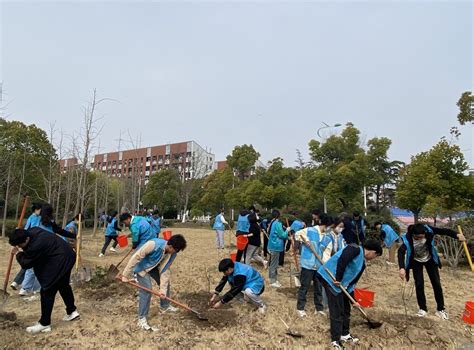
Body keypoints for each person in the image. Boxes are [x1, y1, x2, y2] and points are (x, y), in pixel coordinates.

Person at [9, 227, 79, 334]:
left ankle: (44, 323)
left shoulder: (35, 246)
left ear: (26, 239)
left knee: (47, 290)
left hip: (60, 259)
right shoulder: (34, 230)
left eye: (19, 245)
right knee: (63, 284)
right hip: (67, 255)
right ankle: (72, 311)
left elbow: (26, 263)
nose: (18, 247)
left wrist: (18, 253)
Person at [317, 240, 383, 349]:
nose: (374, 258)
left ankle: (345, 334)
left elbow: (351, 283)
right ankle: (335, 341)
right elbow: (343, 260)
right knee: (337, 310)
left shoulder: (362, 264)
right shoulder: (355, 248)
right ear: (373, 252)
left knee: (346, 309)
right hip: (330, 278)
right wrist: (338, 278)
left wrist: (354, 300)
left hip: (340, 284)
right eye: (376, 256)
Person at [398, 223, 465, 320]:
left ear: (425, 233)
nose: (419, 239)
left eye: (421, 237)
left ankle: (440, 309)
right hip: (416, 261)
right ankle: (422, 309)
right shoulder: (407, 239)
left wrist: (456, 235)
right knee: (419, 284)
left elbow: (444, 231)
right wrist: (402, 268)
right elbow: (400, 252)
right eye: (417, 238)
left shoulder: (429, 230)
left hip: (430, 259)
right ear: (413, 235)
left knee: (436, 283)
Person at [121, 235, 187, 331]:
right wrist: (125, 275)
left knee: (166, 283)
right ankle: (142, 318)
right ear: (171, 246)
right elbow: (136, 257)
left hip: (154, 268)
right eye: (176, 250)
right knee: (147, 290)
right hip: (142, 268)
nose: (176, 253)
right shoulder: (153, 244)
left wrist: (163, 291)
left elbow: (165, 270)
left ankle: (165, 306)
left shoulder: (172, 254)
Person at [294, 214, 332, 317]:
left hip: (319, 265)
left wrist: (325, 263)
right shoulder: (310, 230)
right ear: (326, 225)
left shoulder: (327, 237)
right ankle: (300, 308)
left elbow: (327, 252)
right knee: (304, 287)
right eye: (330, 226)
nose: (330, 229)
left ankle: (319, 308)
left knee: (318, 287)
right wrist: (305, 240)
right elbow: (297, 234)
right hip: (308, 264)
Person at [11, 202, 42, 291]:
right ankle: (23, 285)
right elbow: (26, 229)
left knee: (29, 263)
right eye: (39, 210)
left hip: (34, 241)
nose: (40, 211)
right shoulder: (32, 218)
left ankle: (17, 282)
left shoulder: (40, 218)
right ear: (36, 210)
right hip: (29, 242)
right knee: (29, 264)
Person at [267, 210, 289, 288]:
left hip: (272, 245)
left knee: (273, 263)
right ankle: (272, 281)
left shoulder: (272, 223)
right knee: (274, 264)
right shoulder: (278, 224)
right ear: (278, 216)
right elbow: (282, 235)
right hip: (276, 246)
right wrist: (287, 230)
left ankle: (274, 279)